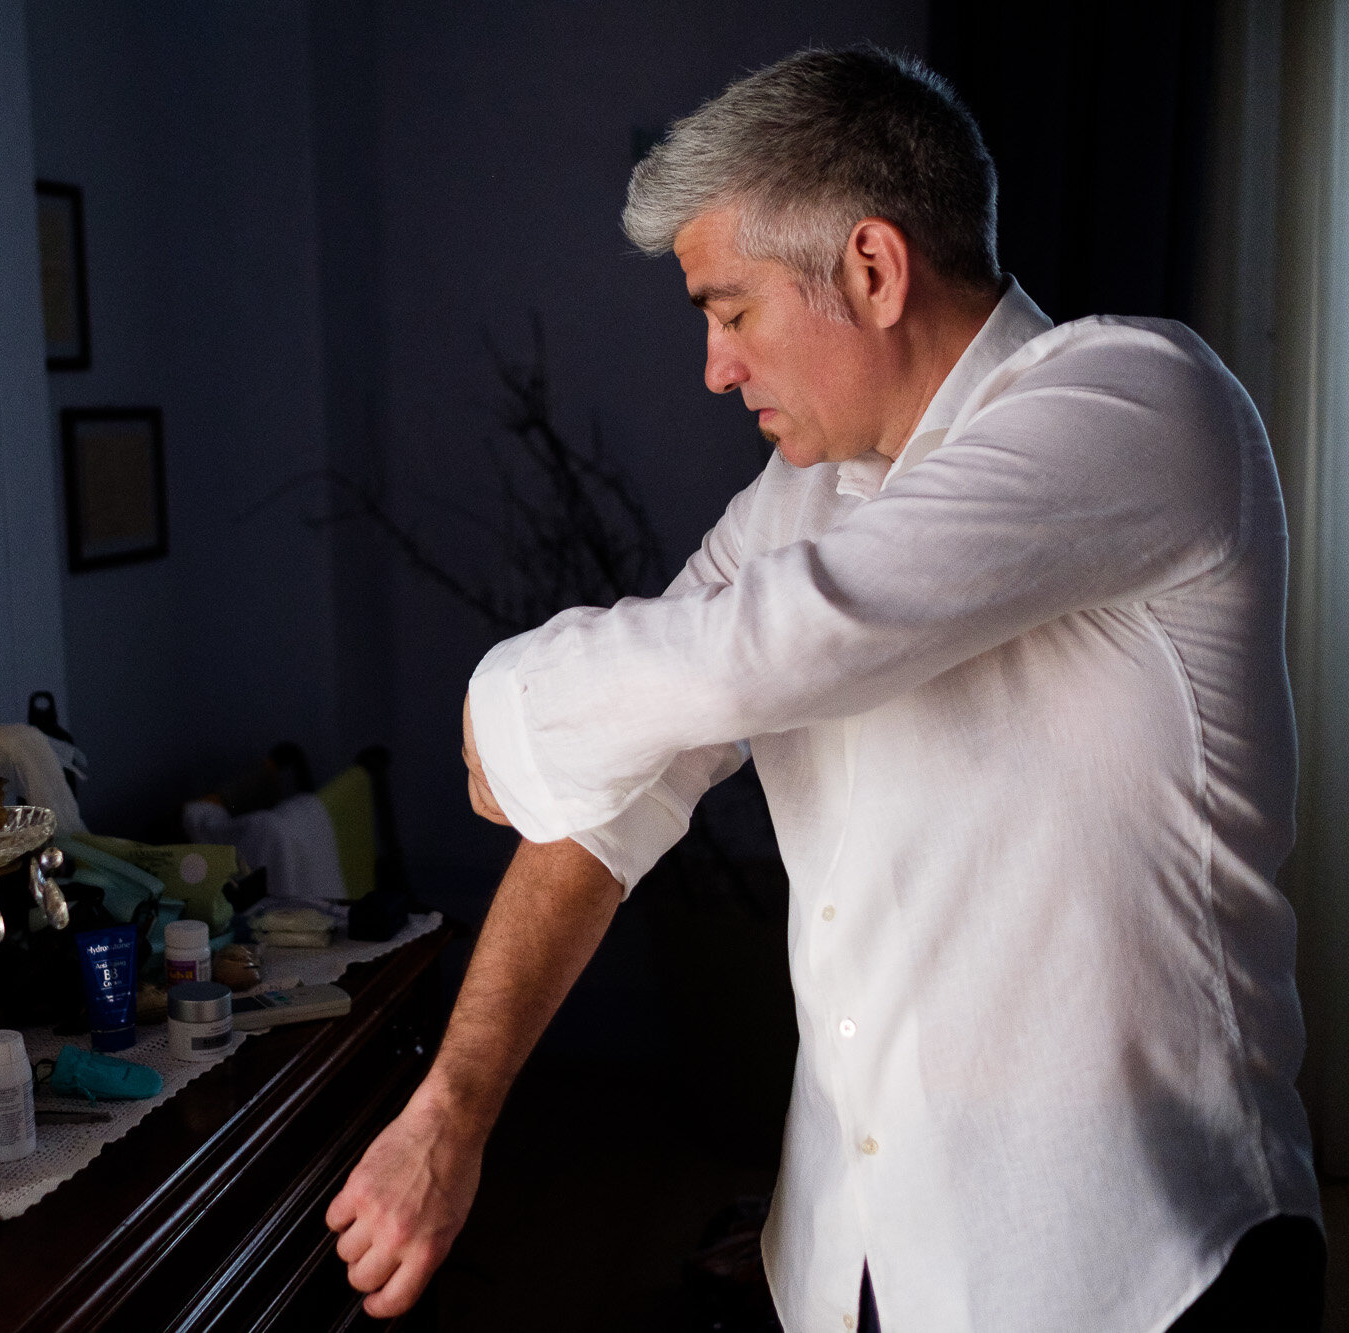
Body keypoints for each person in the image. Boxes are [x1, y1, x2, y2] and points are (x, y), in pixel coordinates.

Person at [324, 46, 1324, 1333]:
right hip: (852, 1266)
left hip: (1144, 1266)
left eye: (729, 311)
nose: (712, 368)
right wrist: (448, 1112)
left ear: (870, 267)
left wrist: (502, 692)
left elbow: (788, 642)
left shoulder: (1139, 401)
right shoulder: (795, 504)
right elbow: (625, 785)